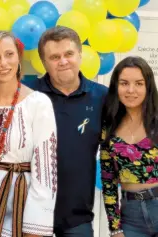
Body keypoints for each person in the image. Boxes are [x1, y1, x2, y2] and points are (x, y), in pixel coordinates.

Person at [0, 31, 57, 237]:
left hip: (21, 205)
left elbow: (45, 169)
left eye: (9, 54)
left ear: (19, 57)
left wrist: (35, 226)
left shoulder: (38, 103)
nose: (3, 63)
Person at [29, 26, 108, 237]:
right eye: (55, 57)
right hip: (31, 216)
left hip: (78, 218)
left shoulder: (103, 97)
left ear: (80, 55)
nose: (63, 61)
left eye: (69, 54)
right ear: (44, 63)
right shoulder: (28, 96)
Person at [100, 56, 158, 237]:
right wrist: (115, 228)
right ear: (116, 86)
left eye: (139, 83)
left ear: (148, 86)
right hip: (131, 217)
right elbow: (108, 182)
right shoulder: (108, 127)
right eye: (124, 83)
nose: (131, 90)